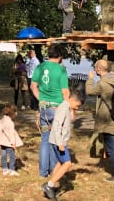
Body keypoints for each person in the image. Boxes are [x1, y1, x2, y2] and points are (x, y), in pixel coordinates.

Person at [86, 59, 114, 182]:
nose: (94, 70)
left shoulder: (102, 84)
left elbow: (89, 91)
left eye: (95, 68)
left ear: (99, 70)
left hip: (108, 120)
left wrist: (90, 79)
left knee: (111, 148)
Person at [30, 44, 70, 180]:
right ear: (59, 57)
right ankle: (54, 170)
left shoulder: (40, 67)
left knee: (45, 139)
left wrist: (41, 99)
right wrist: (69, 110)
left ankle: (42, 172)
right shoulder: (61, 70)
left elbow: (33, 86)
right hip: (57, 109)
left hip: (44, 109)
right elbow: (65, 92)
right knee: (56, 139)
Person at [41, 89, 84, 200]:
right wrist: (60, 143)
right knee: (67, 163)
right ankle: (49, 185)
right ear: (72, 100)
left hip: (58, 140)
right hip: (58, 141)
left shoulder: (66, 107)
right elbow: (56, 126)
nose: (77, 108)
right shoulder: (63, 109)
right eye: (77, 105)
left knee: (60, 163)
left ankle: (51, 184)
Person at [0, 103, 23, 176]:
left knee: (3, 155)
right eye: (16, 112)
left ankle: (4, 169)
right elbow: (11, 134)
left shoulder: (2, 120)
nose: (16, 113)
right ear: (12, 113)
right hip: (9, 143)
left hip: (2, 142)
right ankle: (12, 169)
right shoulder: (10, 123)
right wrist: (13, 143)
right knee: (12, 156)